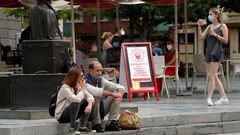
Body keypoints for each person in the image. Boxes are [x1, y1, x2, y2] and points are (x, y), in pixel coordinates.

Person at [198, 7, 229, 106]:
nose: (209, 16)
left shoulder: (222, 26)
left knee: (211, 76)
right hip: (208, 52)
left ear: (216, 15)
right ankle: (223, 97)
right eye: (209, 14)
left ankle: (209, 98)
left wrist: (215, 35)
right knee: (214, 76)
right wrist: (199, 27)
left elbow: (226, 40)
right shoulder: (209, 26)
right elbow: (202, 38)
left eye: (211, 14)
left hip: (216, 53)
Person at [84, 61, 125, 132]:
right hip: (88, 112)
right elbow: (96, 91)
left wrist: (119, 95)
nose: (100, 73)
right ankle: (96, 123)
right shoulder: (84, 80)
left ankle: (112, 122)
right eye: (97, 71)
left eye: (101, 70)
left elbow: (118, 86)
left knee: (116, 94)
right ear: (90, 70)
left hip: (100, 109)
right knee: (96, 96)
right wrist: (113, 94)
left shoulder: (101, 80)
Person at [55, 67, 94, 135]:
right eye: (81, 75)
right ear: (75, 77)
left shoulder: (78, 85)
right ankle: (72, 128)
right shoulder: (65, 87)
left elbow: (90, 96)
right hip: (61, 116)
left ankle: (83, 127)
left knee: (86, 102)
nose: (84, 77)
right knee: (76, 103)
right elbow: (77, 99)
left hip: (72, 113)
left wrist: (90, 104)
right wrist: (82, 89)